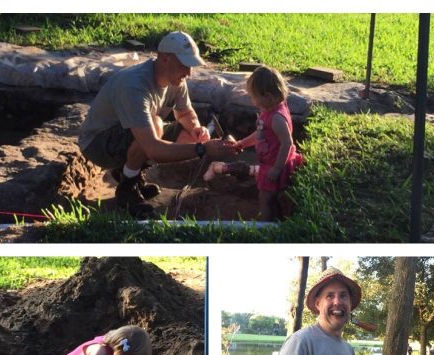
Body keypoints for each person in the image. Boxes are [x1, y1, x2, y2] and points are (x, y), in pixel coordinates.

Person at [78, 31, 236, 217]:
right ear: (164, 59)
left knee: (186, 133)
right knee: (156, 123)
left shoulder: (176, 80)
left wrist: (196, 129)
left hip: (129, 134)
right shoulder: (134, 85)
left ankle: (129, 172)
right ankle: (127, 189)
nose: (189, 72)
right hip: (98, 144)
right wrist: (203, 149)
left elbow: (185, 113)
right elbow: (152, 147)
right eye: (184, 65)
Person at [203, 65, 304, 221]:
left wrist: (277, 168)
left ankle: (264, 225)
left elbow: (287, 144)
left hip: (275, 165)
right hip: (270, 163)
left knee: (265, 198)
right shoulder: (269, 111)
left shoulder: (277, 118)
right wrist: (242, 143)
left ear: (268, 96)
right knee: (271, 196)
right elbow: (260, 134)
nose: (252, 100)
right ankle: (273, 215)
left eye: (254, 96)